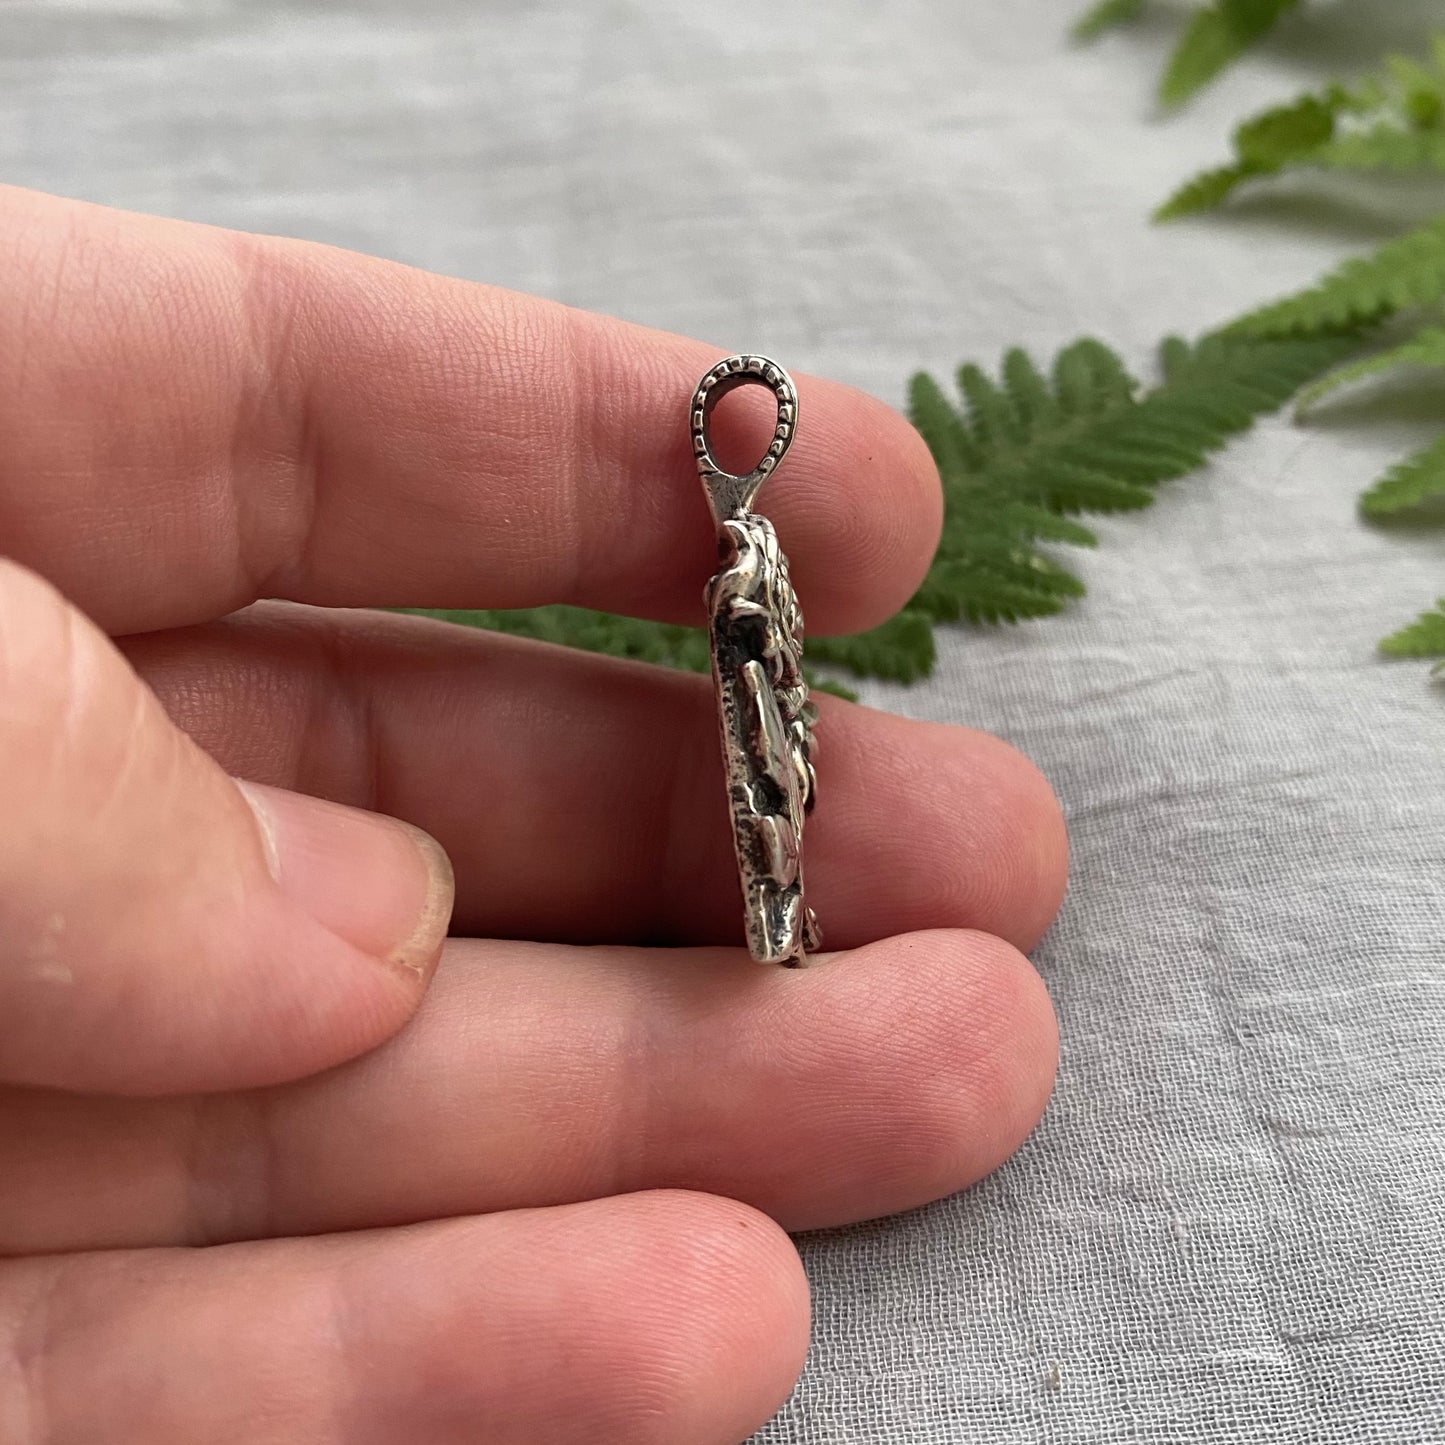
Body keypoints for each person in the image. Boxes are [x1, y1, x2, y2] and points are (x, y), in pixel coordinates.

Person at [0, 184, 1067, 1444]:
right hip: (754, 743)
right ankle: (778, 905)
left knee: (793, 812)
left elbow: (771, 677)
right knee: (774, 815)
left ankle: (782, 906)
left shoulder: (758, 569)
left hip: (768, 737)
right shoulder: (743, 581)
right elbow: (754, 675)